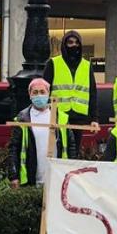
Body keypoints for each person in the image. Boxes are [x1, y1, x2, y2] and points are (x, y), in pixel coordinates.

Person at [44, 30, 97, 158]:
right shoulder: (53, 63)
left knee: (73, 153)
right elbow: (45, 89)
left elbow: (93, 93)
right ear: (64, 44)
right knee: (57, 151)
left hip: (79, 117)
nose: (74, 46)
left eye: (76, 43)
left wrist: (94, 119)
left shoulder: (86, 66)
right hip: (58, 116)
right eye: (70, 42)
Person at [8, 79, 69, 186]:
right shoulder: (22, 119)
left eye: (42, 92)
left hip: (57, 178)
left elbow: (70, 146)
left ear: (48, 93)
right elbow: (14, 148)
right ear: (29, 95)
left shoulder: (61, 118)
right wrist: (14, 176)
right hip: (31, 180)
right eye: (35, 92)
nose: (39, 96)